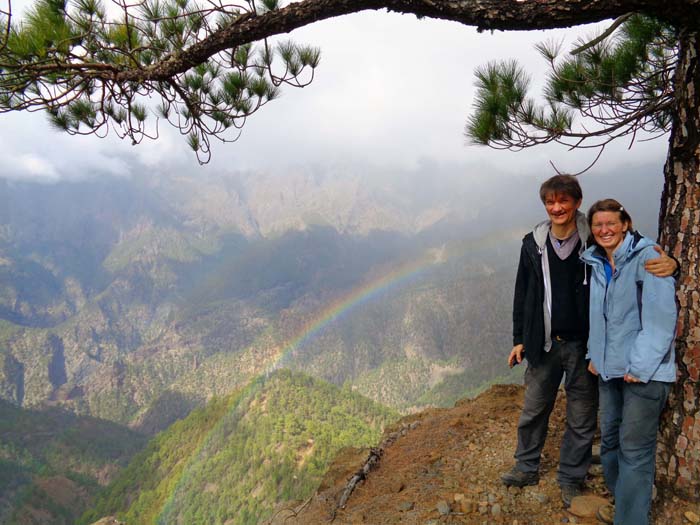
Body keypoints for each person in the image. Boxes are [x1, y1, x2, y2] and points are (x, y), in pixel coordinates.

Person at [500, 175, 677, 509]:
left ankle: (571, 477)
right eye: (550, 202)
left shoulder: (593, 242)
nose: (557, 208)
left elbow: (633, 256)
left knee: (581, 419)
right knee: (533, 410)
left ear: (577, 203)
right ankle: (526, 466)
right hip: (545, 344)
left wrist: (675, 263)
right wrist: (520, 338)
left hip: (585, 346)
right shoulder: (532, 244)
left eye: (563, 201)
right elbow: (522, 292)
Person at [581, 199, 677, 525]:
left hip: (644, 374)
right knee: (608, 441)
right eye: (598, 225)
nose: (604, 230)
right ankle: (623, 502)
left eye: (611, 223)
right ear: (592, 230)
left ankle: (630, 520)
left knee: (634, 450)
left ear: (625, 223)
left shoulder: (648, 258)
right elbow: (600, 317)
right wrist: (595, 355)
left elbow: (662, 319)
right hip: (609, 370)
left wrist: (640, 366)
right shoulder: (596, 262)